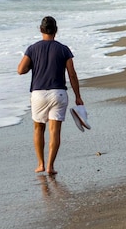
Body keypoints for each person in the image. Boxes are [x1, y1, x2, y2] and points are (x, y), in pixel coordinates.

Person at [17, 16, 84, 175]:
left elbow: (20, 70)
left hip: (38, 93)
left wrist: (32, 66)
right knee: (55, 131)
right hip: (58, 93)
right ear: (56, 30)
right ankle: (50, 166)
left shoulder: (32, 49)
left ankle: (40, 164)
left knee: (38, 128)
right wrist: (78, 96)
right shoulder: (63, 49)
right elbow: (72, 74)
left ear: (41, 30)